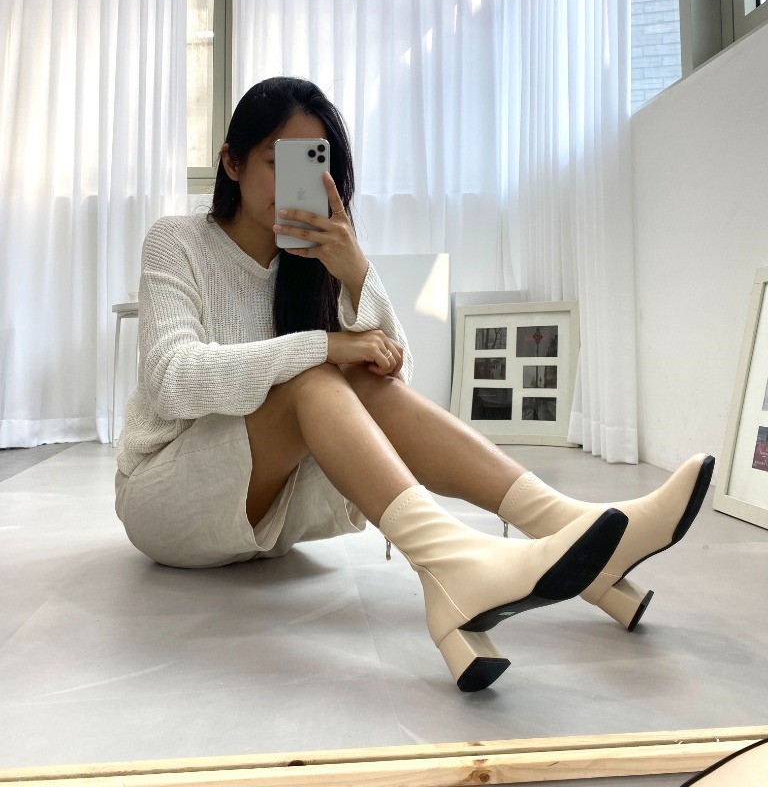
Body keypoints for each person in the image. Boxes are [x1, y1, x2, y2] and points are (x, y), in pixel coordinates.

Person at [114, 76, 715, 693]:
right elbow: (170, 379)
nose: (298, 182)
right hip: (168, 499)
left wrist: (355, 273)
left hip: (269, 508)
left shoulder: (313, 263)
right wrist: (323, 344)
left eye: (313, 164)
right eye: (277, 161)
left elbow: (392, 382)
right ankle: (457, 563)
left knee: (355, 378)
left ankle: (567, 526)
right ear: (232, 162)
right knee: (316, 378)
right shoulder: (177, 241)